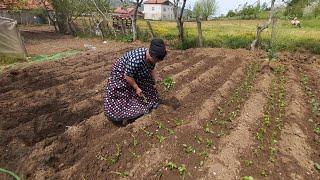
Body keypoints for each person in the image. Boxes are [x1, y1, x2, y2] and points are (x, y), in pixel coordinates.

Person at [104, 38, 167, 124]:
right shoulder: (136, 60)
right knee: (125, 93)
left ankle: (144, 104)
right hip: (123, 74)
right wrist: (136, 87)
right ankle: (125, 115)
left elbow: (152, 68)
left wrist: (155, 78)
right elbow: (128, 76)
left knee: (148, 87)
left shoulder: (152, 56)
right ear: (151, 55)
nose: (156, 62)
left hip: (135, 72)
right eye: (156, 60)